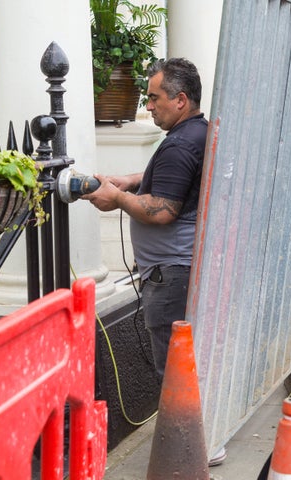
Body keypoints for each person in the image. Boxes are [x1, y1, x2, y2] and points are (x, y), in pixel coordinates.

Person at [84, 58, 207, 378]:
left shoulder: (179, 145)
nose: (148, 106)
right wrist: (134, 180)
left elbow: (164, 210)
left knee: (174, 374)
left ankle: (179, 429)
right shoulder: (196, 133)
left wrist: (118, 198)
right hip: (179, 272)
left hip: (171, 277)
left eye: (154, 98)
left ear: (180, 100)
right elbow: (178, 178)